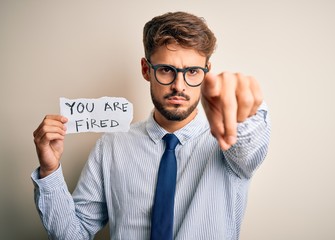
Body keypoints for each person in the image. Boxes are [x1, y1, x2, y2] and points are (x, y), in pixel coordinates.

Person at [32, 11, 271, 240]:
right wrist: (50, 171)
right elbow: (74, 235)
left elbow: (250, 148)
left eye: (193, 71)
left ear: (206, 73)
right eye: (166, 70)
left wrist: (244, 113)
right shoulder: (112, 146)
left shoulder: (229, 144)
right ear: (146, 70)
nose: (179, 85)